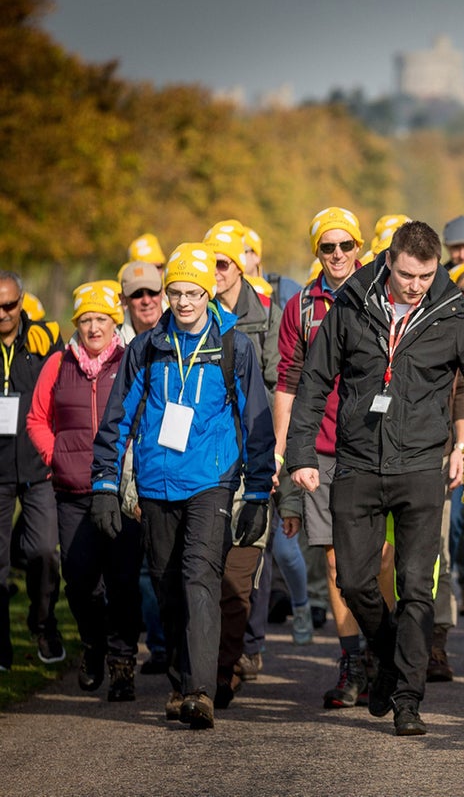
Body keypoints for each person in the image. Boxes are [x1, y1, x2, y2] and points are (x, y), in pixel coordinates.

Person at [286, 220, 464, 737]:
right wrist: (299, 454)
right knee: (354, 581)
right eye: (407, 274)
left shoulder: (451, 312)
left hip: (420, 467)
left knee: (415, 587)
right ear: (389, 261)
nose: (415, 285)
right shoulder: (350, 305)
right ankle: (387, 658)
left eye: (426, 275)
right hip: (358, 462)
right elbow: (315, 381)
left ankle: (408, 699)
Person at [91, 243, 275, 729]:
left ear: (209, 290)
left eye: (193, 292)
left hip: (211, 481)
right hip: (154, 481)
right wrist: (106, 484)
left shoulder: (236, 345)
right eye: (176, 292)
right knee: (168, 584)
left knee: (199, 578)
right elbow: (117, 419)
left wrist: (257, 491)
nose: (184, 302)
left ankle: (200, 691)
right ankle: (178, 683)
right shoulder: (146, 348)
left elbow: (257, 422)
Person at [273, 206, 375, 709]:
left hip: (377, 448)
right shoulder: (301, 307)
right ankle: (352, 660)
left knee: (379, 563)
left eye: (345, 245)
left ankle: (383, 650)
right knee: (337, 566)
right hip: (323, 451)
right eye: (327, 247)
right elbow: (288, 381)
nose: (337, 255)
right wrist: (285, 453)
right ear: (317, 252)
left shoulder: (381, 293)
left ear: (359, 247)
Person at [26, 282, 141, 700]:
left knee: (124, 581)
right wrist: (56, 454)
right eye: (86, 320)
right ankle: (93, 645)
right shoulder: (58, 364)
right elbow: (37, 418)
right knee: (79, 581)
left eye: (101, 319)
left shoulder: (131, 360)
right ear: (77, 324)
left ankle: (123, 661)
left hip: (120, 489)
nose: (94, 328)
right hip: (72, 490)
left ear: (115, 322)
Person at [203, 219, 286, 706]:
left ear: (239, 265)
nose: (215, 272)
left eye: (223, 263)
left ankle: (246, 648)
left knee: (255, 554)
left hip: (255, 445)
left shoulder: (266, 314)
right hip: (209, 451)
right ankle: (215, 654)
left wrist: (272, 449)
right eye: (210, 262)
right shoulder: (195, 312)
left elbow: (278, 385)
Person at [0, 269, 64, 671]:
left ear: (21, 302)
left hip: (39, 466)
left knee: (43, 550)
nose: (2, 314)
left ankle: (43, 623)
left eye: (9, 305)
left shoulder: (43, 340)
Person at [115, 261, 169, 673]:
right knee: (125, 564)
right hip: (124, 457)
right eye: (138, 295)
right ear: (125, 301)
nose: (147, 301)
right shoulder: (115, 345)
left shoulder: (172, 338)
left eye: (153, 292)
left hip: (161, 456)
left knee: (159, 561)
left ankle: (165, 644)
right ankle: (127, 646)